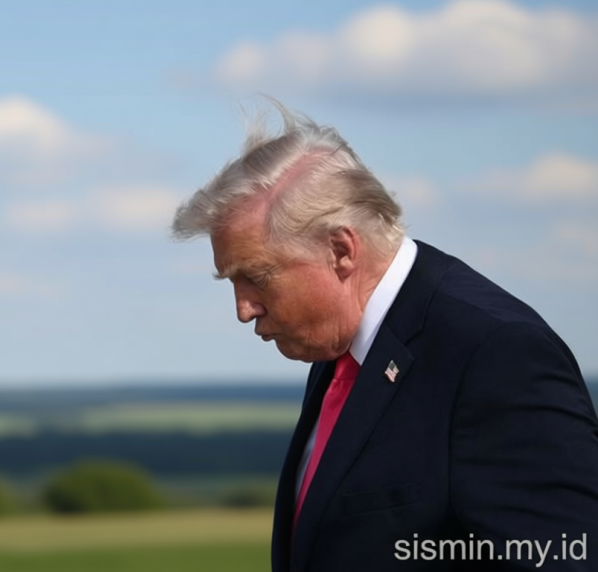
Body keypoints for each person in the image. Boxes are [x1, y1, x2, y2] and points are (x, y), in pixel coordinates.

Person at [171, 103, 598, 571]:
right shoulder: (341, 346)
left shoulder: (497, 355)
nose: (243, 309)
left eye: (257, 277)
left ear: (341, 250)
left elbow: (567, 556)